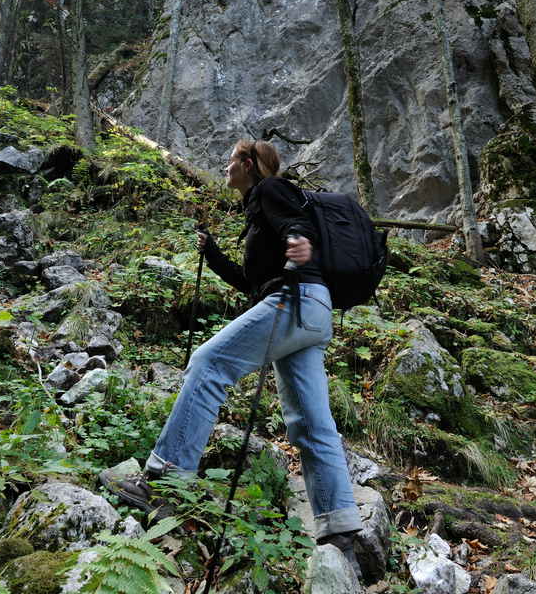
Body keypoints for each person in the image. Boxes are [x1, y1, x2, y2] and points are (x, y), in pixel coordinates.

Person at [99, 138, 363, 575]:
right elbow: (252, 283)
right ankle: (340, 534)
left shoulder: (269, 190)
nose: (224, 166)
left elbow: (297, 226)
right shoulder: (259, 209)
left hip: (295, 301)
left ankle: (164, 480)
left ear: (248, 164)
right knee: (313, 424)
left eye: (230, 160)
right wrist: (215, 254)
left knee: (208, 363)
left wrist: (301, 240)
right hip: (313, 311)